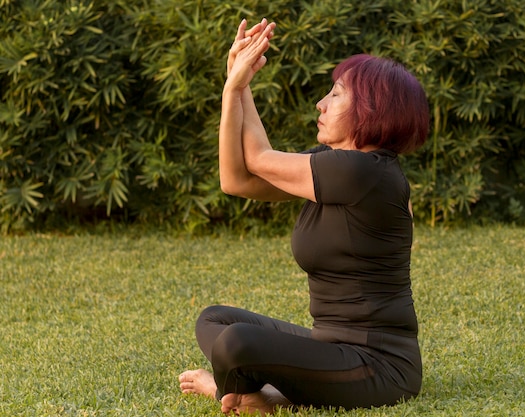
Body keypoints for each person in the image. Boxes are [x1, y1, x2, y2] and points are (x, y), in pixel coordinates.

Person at [179, 17, 430, 416]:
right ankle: (260, 393)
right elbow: (238, 179)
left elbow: (259, 158)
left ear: (370, 109)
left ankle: (239, 394)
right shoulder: (335, 167)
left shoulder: (364, 172)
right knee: (215, 319)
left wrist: (235, 88)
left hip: (380, 368)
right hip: (330, 348)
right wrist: (238, 86)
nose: (322, 104)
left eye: (336, 94)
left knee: (235, 343)